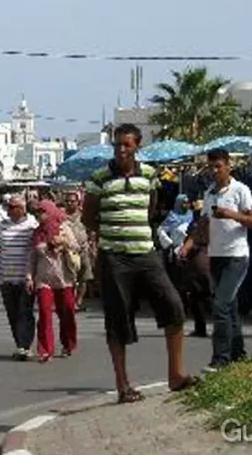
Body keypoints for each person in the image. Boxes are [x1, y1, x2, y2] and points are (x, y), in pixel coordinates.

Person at [83, 123, 194, 403]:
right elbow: (88, 217)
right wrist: (112, 232)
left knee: (173, 306)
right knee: (118, 321)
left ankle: (176, 374)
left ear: (137, 146)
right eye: (117, 144)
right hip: (114, 256)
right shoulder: (99, 178)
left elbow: (151, 208)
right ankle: (123, 385)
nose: (121, 150)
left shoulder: (149, 175)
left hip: (145, 253)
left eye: (127, 145)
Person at [183, 148, 252, 372]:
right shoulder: (209, 193)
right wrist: (189, 245)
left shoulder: (240, 190)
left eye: (219, 166)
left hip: (237, 255)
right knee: (230, 307)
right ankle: (238, 353)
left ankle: (221, 358)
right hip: (216, 255)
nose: (215, 170)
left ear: (228, 166)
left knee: (220, 304)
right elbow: (204, 223)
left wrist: (231, 215)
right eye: (212, 166)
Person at [0, 195, 38, 360]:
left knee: (25, 311)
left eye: (12, 207)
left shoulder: (32, 224)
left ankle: (25, 345)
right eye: (8, 206)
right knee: (12, 312)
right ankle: (19, 345)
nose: (8, 209)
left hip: (26, 277)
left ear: (22, 209)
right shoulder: (2, 226)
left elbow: (37, 250)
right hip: (6, 276)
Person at [28, 200, 79, 362]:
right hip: (44, 279)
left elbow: (76, 247)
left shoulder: (64, 229)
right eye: (37, 213)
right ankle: (45, 350)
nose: (39, 216)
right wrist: (29, 277)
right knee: (44, 312)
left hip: (64, 278)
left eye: (42, 212)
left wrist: (63, 242)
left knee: (67, 311)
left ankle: (68, 344)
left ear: (50, 212)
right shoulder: (37, 233)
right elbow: (32, 258)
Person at [158, 195, 208, 338]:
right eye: (183, 203)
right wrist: (170, 245)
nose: (186, 205)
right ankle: (188, 322)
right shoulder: (172, 217)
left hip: (197, 258)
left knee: (200, 292)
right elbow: (161, 231)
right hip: (178, 255)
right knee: (183, 290)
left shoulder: (196, 221)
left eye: (188, 203)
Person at [64, 192, 95, 310]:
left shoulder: (84, 215)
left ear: (78, 202)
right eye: (67, 201)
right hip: (67, 251)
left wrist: (93, 246)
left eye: (72, 201)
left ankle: (79, 301)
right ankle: (70, 300)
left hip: (83, 250)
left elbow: (91, 231)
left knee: (84, 276)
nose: (70, 203)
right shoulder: (61, 216)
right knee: (69, 277)